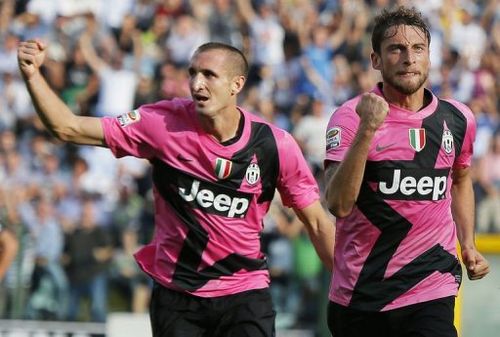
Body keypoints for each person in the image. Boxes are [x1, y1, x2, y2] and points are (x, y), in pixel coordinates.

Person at [18, 40, 334, 336]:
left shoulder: (274, 145)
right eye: (193, 73)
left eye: (209, 75)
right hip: (177, 295)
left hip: (244, 291)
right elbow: (67, 127)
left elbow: (317, 222)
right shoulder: (161, 123)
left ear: (237, 85)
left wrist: (349, 287)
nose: (197, 83)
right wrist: (33, 76)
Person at [323, 6, 489, 337]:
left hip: (431, 285)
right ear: (376, 60)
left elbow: (460, 180)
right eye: (396, 49)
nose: (408, 58)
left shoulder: (457, 119)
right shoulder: (350, 118)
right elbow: (339, 204)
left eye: (418, 49)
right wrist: (367, 130)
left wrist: (467, 243)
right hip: (362, 295)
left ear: (429, 56)